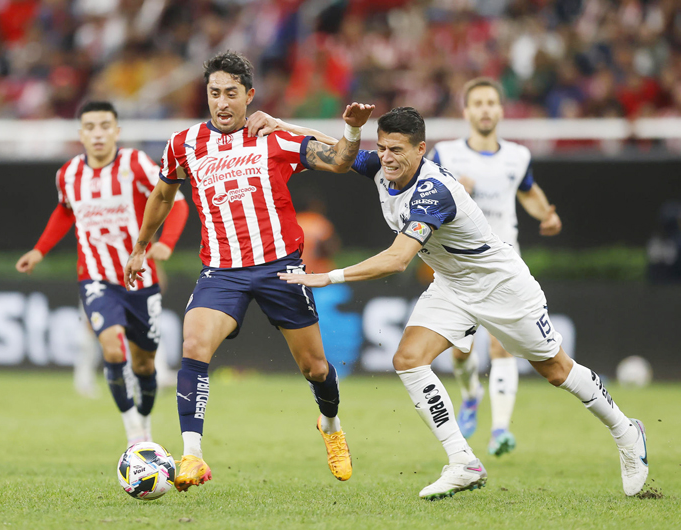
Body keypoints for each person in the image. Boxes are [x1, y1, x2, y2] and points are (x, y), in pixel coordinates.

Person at [275, 107, 648, 499]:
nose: (386, 157)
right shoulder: (383, 169)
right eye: (382, 148)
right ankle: (463, 461)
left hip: (500, 286)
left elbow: (397, 260)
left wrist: (329, 276)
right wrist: (280, 126)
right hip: (453, 284)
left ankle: (626, 431)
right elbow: (335, 147)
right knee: (408, 359)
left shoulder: (433, 190)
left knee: (555, 370)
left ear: (422, 149)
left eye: (397, 150)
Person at [124, 50, 373, 492]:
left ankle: (331, 425)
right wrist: (141, 245)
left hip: (281, 267)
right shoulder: (183, 144)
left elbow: (339, 160)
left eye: (231, 94)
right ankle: (192, 455)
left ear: (249, 96)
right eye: (214, 93)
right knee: (195, 343)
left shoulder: (272, 139)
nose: (221, 102)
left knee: (315, 368)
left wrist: (349, 128)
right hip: (221, 270)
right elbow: (162, 195)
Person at [16, 101, 189, 446]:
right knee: (112, 349)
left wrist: (166, 243)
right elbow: (65, 211)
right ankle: (133, 433)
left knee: (144, 366)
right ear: (81, 133)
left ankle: (145, 424)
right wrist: (39, 249)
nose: (98, 133)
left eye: (105, 126)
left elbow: (177, 201)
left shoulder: (136, 164)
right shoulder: (67, 174)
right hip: (95, 278)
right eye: (91, 127)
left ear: (117, 131)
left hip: (140, 279)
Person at [428, 77, 563, 456]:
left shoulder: (517, 156)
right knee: (460, 351)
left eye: (492, 102)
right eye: (479, 103)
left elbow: (528, 190)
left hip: (503, 264)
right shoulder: (446, 155)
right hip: (458, 266)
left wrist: (547, 214)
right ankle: (471, 393)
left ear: (501, 111)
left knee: (503, 347)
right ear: (467, 111)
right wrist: (452, 188)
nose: (486, 109)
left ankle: (500, 430)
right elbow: (421, 193)